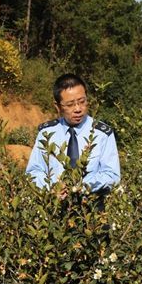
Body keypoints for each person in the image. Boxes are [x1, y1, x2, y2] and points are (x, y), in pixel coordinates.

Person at [26, 73, 120, 201]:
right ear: (58, 107)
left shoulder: (102, 134)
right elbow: (33, 171)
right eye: (70, 105)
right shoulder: (46, 133)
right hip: (54, 206)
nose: (78, 109)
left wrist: (82, 186)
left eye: (82, 102)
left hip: (91, 209)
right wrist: (52, 186)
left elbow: (112, 175)